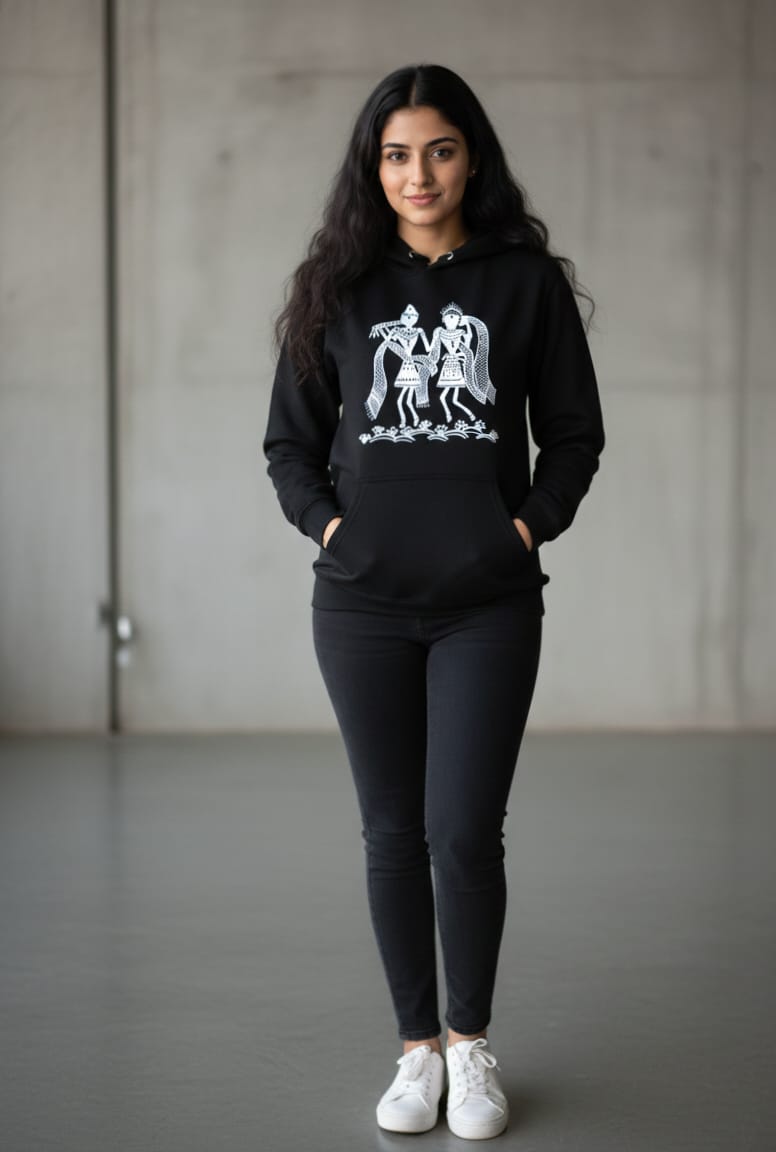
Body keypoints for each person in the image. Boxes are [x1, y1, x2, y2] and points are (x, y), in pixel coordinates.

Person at [263, 62, 605, 1140]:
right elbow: (288, 447)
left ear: (472, 159)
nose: (420, 175)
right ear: (373, 168)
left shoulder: (525, 283)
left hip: (485, 604)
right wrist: (336, 532)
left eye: (441, 151)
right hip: (360, 607)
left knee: (463, 832)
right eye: (397, 155)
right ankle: (416, 1050)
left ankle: (469, 1043)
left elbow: (574, 437)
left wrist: (520, 531)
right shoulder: (335, 285)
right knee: (391, 832)